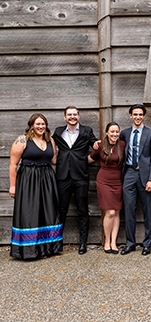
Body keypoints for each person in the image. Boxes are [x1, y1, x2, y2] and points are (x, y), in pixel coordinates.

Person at [9, 114, 63, 260]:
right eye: (38, 124)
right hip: (28, 179)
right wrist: (13, 186)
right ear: (31, 125)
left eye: (43, 124)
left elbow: (53, 160)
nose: (41, 126)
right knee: (30, 212)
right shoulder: (22, 140)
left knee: (47, 211)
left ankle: (46, 248)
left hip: (47, 179)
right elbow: (13, 164)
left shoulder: (50, 140)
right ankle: (29, 250)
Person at [52, 106, 97, 255]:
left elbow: (96, 147)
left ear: (79, 116)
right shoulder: (58, 132)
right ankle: (57, 244)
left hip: (81, 177)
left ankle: (83, 243)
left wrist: (87, 160)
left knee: (82, 210)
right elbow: (49, 146)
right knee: (61, 210)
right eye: (69, 115)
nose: (72, 117)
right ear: (65, 117)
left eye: (74, 114)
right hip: (62, 177)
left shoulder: (86, 131)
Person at [119, 104, 151, 256]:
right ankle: (130, 244)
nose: (137, 117)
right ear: (130, 116)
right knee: (129, 210)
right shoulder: (124, 133)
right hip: (129, 174)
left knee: (147, 211)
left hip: (145, 176)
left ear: (144, 116)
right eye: (135, 114)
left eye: (140, 114)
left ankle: (147, 244)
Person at [88, 122, 125, 254]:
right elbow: (91, 159)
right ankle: (107, 241)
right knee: (109, 212)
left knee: (117, 212)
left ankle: (114, 242)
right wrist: (74, 160)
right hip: (104, 181)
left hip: (119, 181)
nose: (115, 134)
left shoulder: (123, 145)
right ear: (107, 133)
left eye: (117, 132)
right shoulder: (100, 145)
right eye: (112, 131)